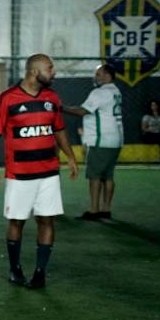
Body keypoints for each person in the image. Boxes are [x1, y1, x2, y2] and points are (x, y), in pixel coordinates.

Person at [0, 54, 78, 289]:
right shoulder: (6, 99)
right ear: (35, 72)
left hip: (48, 172)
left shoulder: (52, 98)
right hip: (19, 174)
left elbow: (59, 130)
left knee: (47, 220)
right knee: (17, 222)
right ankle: (15, 270)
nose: (54, 72)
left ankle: (40, 273)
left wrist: (70, 157)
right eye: (50, 68)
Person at [63, 64, 123, 220]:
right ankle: (106, 209)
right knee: (108, 176)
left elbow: (83, 111)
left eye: (98, 74)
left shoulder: (99, 93)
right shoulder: (116, 91)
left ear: (108, 76)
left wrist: (60, 108)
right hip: (116, 139)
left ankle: (94, 210)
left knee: (95, 176)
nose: (95, 77)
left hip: (101, 140)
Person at [141, 99, 160, 165]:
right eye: (152, 105)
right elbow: (144, 128)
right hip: (150, 134)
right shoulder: (147, 116)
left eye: (155, 105)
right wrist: (153, 130)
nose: (154, 107)